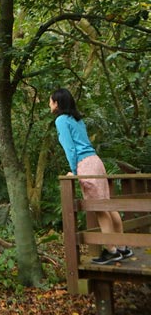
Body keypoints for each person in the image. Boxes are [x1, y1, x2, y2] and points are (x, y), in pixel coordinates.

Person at [49, 88, 133, 265]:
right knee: (108, 205)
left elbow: (70, 148)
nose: (49, 104)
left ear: (57, 103)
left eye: (50, 101)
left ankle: (111, 250)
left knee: (100, 209)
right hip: (96, 161)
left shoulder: (61, 120)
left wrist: (74, 171)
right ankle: (123, 247)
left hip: (85, 164)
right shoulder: (77, 119)